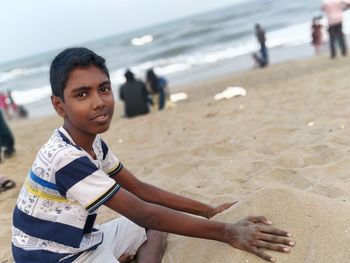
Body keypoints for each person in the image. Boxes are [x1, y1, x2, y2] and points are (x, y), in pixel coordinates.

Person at [12, 47, 295, 263]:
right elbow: (143, 210)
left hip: (80, 240)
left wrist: (207, 211)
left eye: (104, 89)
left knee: (155, 227)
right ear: (59, 106)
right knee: (151, 220)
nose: (99, 102)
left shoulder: (93, 144)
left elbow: (140, 190)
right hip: (49, 256)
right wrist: (228, 232)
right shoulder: (66, 158)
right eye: (82, 95)